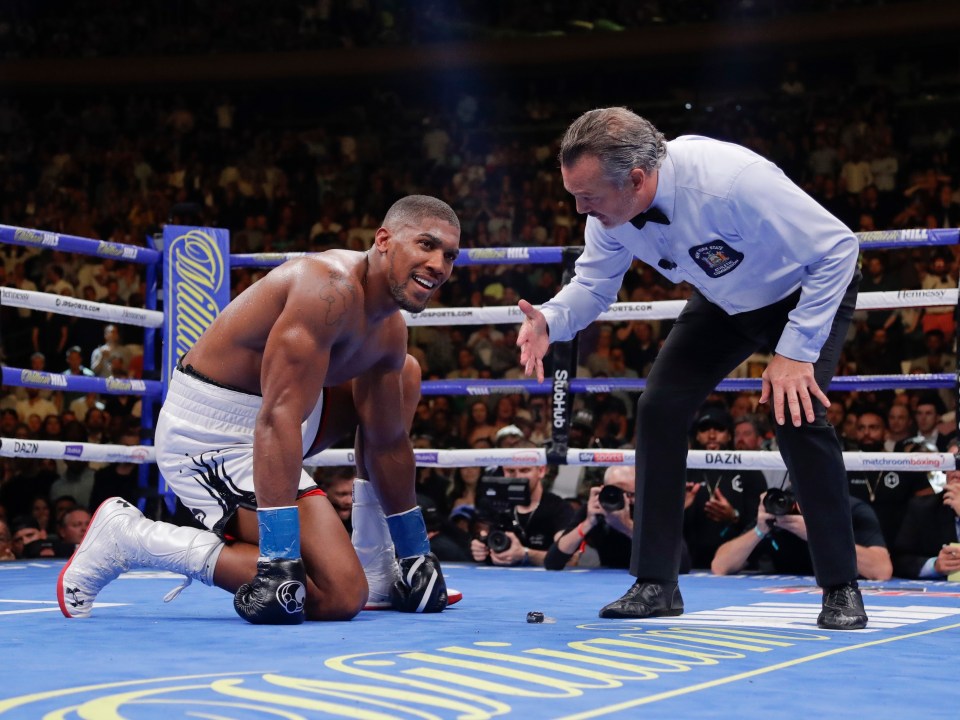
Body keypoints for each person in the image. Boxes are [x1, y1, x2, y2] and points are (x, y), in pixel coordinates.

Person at [516, 107, 867, 629]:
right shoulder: (609, 213)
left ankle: (841, 587)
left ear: (636, 179)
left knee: (797, 416)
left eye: (587, 196)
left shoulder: (730, 181)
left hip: (806, 290)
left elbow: (838, 248)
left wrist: (795, 352)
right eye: (574, 194)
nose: (579, 208)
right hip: (724, 300)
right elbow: (593, 285)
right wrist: (550, 318)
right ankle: (656, 582)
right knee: (659, 407)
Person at [59, 195, 461, 624]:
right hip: (213, 436)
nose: (439, 264)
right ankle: (132, 538)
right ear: (383, 239)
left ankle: (381, 569)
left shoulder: (390, 329)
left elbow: (387, 443)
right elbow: (276, 419)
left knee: (404, 374)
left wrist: (416, 550)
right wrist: (278, 559)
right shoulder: (329, 287)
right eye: (426, 245)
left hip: (284, 419)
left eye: (449, 255)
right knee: (339, 595)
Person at [711, 491, 892, 581]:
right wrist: (759, 530)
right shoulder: (778, 509)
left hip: (838, 595)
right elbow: (720, 566)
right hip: (783, 605)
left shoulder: (849, 509)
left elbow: (881, 570)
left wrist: (817, 534)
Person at [682, 407, 766, 570]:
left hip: (738, 564)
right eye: (705, 429)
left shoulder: (749, 470)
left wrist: (734, 516)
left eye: (719, 429)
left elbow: (762, 523)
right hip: (689, 561)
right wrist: (678, 509)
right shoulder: (684, 470)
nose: (712, 435)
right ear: (697, 435)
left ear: (729, 435)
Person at [470, 441, 575, 567]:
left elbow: (571, 559)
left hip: (547, 583)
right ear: (503, 471)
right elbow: (483, 538)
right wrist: (480, 550)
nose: (517, 477)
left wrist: (525, 554)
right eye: (511, 471)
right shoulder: (494, 506)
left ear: (541, 470)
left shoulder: (560, 509)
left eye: (524, 470)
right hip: (499, 581)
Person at [892, 443, 960, 579]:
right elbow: (899, 560)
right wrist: (935, 565)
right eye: (951, 463)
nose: (956, 472)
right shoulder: (922, 508)